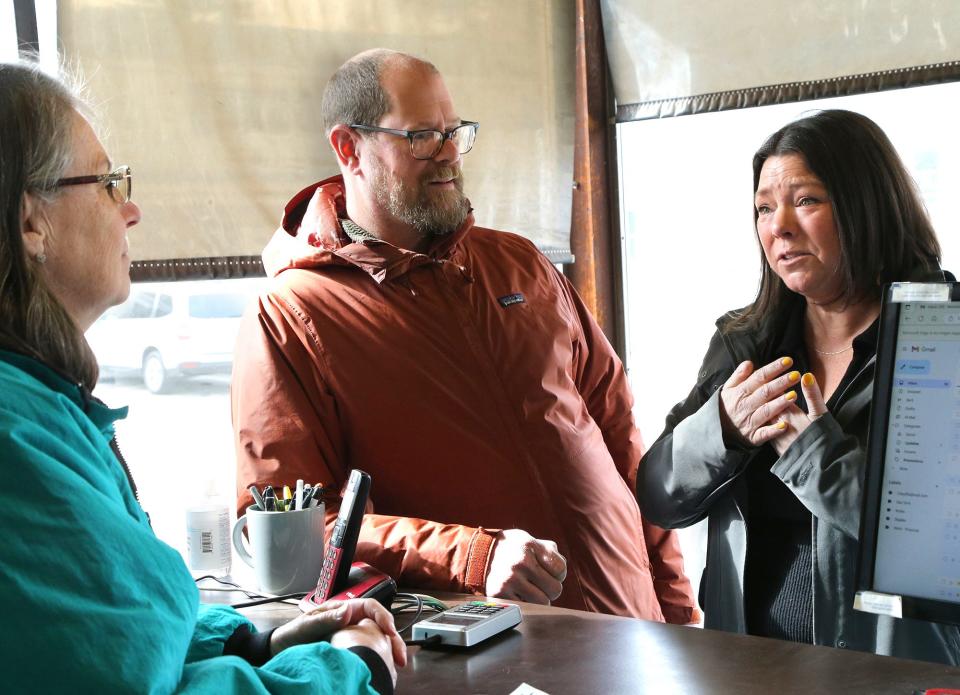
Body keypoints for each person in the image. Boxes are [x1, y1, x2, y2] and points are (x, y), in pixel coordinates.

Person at [231, 48, 698, 622]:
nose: (450, 152)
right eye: (422, 136)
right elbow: (295, 532)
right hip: (493, 655)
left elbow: (623, 446)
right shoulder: (291, 315)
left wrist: (676, 611)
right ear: (349, 148)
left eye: (455, 131)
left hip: (635, 633)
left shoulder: (520, 263)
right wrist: (471, 556)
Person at [0, 59, 405, 693]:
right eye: (108, 183)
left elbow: (115, 623)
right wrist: (353, 669)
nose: (130, 211)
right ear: (30, 222)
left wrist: (261, 638)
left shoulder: (44, 407)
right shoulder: (13, 438)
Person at [637, 109, 960, 663]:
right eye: (764, 208)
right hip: (745, 668)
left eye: (805, 201)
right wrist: (724, 432)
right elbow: (658, 496)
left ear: (865, 206)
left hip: (888, 675)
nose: (778, 226)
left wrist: (816, 457)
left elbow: (937, 550)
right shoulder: (745, 340)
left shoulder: (940, 335)